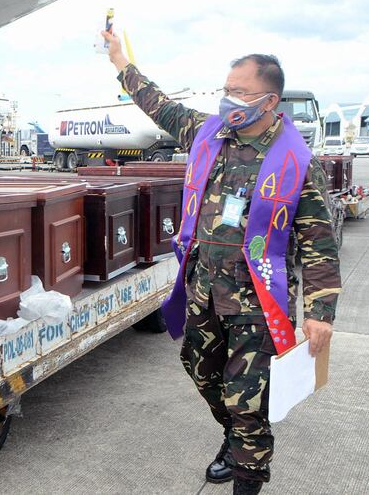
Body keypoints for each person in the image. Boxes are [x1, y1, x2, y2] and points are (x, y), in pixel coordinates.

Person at [102, 31, 340, 495]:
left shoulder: (294, 161)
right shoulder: (209, 132)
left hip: (256, 302)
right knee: (201, 371)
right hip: (204, 291)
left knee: (247, 401)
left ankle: (248, 475)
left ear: (269, 100)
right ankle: (234, 438)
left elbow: (318, 243)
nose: (229, 99)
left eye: (241, 91)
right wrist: (119, 61)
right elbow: (161, 105)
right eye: (227, 89)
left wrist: (319, 313)